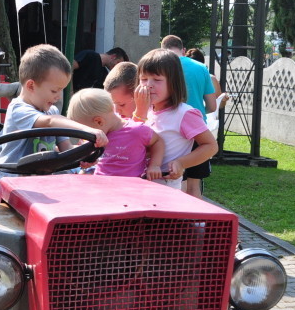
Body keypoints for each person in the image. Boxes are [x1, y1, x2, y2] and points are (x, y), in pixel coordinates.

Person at [0, 44, 108, 202]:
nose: (58, 96)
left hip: (39, 191)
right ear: (31, 86)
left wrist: (84, 156)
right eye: (54, 91)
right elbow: (50, 122)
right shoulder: (19, 109)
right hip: (9, 192)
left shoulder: (52, 111)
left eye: (61, 90)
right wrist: (89, 130)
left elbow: (66, 149)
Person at [134, 49, 217, 191]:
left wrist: (181, 163)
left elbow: (211, 146)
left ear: (173, 83)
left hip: (164, 189)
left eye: (157, 80)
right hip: (137, 185)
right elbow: (132, 142)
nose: (148, 84)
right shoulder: (143, 109)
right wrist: (140, 112)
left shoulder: (184, 113)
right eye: (144, 79)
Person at [161, 35, 216, 198]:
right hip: (199, 132)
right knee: (194, 184)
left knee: (178, 182)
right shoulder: (201, 67)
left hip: (172, 132)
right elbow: (212, 106)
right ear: (183, 50)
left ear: (162, 49)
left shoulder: (161, 67)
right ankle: (195, 215)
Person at [67, 88, 164, 179]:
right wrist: (90, 161)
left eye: (88, 131)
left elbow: (158, 141)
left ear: (99, 121)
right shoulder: (102, 134)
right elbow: (100, 158)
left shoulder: (137, 131)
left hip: (130, 187)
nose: (89, 137)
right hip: (101, 183)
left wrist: (154, 165)